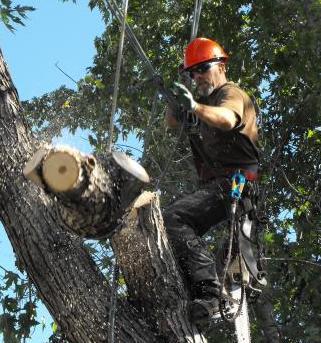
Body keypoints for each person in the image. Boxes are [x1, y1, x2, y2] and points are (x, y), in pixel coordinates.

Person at [163, 37, 259, 325]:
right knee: (209, 256)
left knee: (172, 218)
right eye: (193, 73)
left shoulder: (231, 94)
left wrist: (193, 106)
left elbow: (227, 119)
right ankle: (207, 301)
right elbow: (172, 123)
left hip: (236, 183)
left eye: (203, 68)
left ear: (220, 65)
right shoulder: (202, 103)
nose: (198, 77)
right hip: (219, 186)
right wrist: (176, 106)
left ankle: (209, 291)